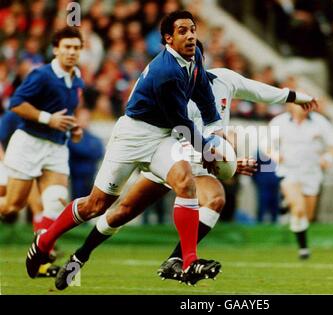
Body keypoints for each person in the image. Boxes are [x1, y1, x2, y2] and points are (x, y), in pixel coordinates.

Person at [52, 64, 318, 290]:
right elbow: (180, 133)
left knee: (215, 199)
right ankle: (80, 256)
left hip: (201, 163)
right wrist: (229, 161)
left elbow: (259, 91)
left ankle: (177, 260)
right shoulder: (176, 91)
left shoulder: (224, 79)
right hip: (173, 156)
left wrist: (295, 96)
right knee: (121, 211)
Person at [25, 11, 224, 284]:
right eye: (182, 31)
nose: (190, 35)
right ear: (168, 38)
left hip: (162, 137)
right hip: (133, 136)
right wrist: (206, 149)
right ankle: (46, 240)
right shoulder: (166, 72)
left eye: (192, 29)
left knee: (185, 182)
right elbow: (181, 121)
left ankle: (188, 261)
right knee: (96, 206)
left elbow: (204, 95)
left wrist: (215, 129)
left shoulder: (195, 57)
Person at [0, 27, 84, 276]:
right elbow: (15, 104)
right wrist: (48, 119)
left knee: (56, 201)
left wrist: (73, 129)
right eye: (67, 47)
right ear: (56, 49)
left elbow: (65, 114)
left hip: (57, 147)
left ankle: (40, 255)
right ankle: (43, 255)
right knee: (12, 207)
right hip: (29, 144)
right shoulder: (42, 75)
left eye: (76, 47)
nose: (71, 52)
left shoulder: (77, 77)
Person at [269, 101, 333, 259]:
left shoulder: (320, 122)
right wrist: (275, 155)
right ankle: (303, 249)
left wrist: (327, 157)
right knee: (299, 208)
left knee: (307, 215)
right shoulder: (278, 122)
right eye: (300, 103)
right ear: (291, 105)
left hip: (312, 172)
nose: (303, 106)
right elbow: (267, 146)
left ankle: (287, 203)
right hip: (289, 170)